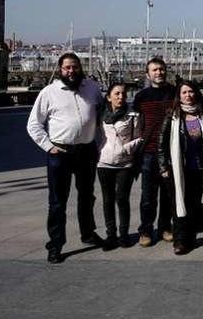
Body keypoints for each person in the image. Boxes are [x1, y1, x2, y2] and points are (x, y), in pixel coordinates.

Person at [27, 52, 104, 263]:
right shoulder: (49, 92)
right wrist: (48, 146)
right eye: (67, 68)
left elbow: (101, 115)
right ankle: (56, 244)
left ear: (81, 68)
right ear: (60, 70)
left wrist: (99, 143)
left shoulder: (92, 88)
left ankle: (88, 234)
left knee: (87, 196)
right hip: (60, 153)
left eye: (75, 67)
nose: (71, 71)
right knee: (57, 201)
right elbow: (33, 124)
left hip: (86, 151)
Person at [158, 82, 203, 255]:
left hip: (199, 167)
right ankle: (180, 241)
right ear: (179, 96)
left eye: (191, 91)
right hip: (177, 168)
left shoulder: (202, 114)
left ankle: (191, 237)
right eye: (184, 92)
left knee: (194, 204)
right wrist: (163, 166)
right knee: (178, 204)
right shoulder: (172, 116)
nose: (188, 95)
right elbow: (162, 143)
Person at [133, 58, 175, 247]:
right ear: (148, 74)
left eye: (162, 69)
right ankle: (146, 230)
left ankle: (165, 227)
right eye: (155, 70)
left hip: (170, 151)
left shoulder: (174, 93)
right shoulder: (141, 96)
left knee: (168, 193)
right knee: (148, 196)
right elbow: (134, 124)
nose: (159, 72)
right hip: (148, 153)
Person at [96, 83, 143, 250]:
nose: (120, 97)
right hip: (104, 162)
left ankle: (124, 235)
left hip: (125, 163)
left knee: (122, 199)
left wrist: (125, 150)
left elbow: (139, 137)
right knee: (107, 200)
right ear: (109, 96)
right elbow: (94, 135)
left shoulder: (133, 114)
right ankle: (111, 235)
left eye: (123, 94)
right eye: (116, 94)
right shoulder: (100, 114)